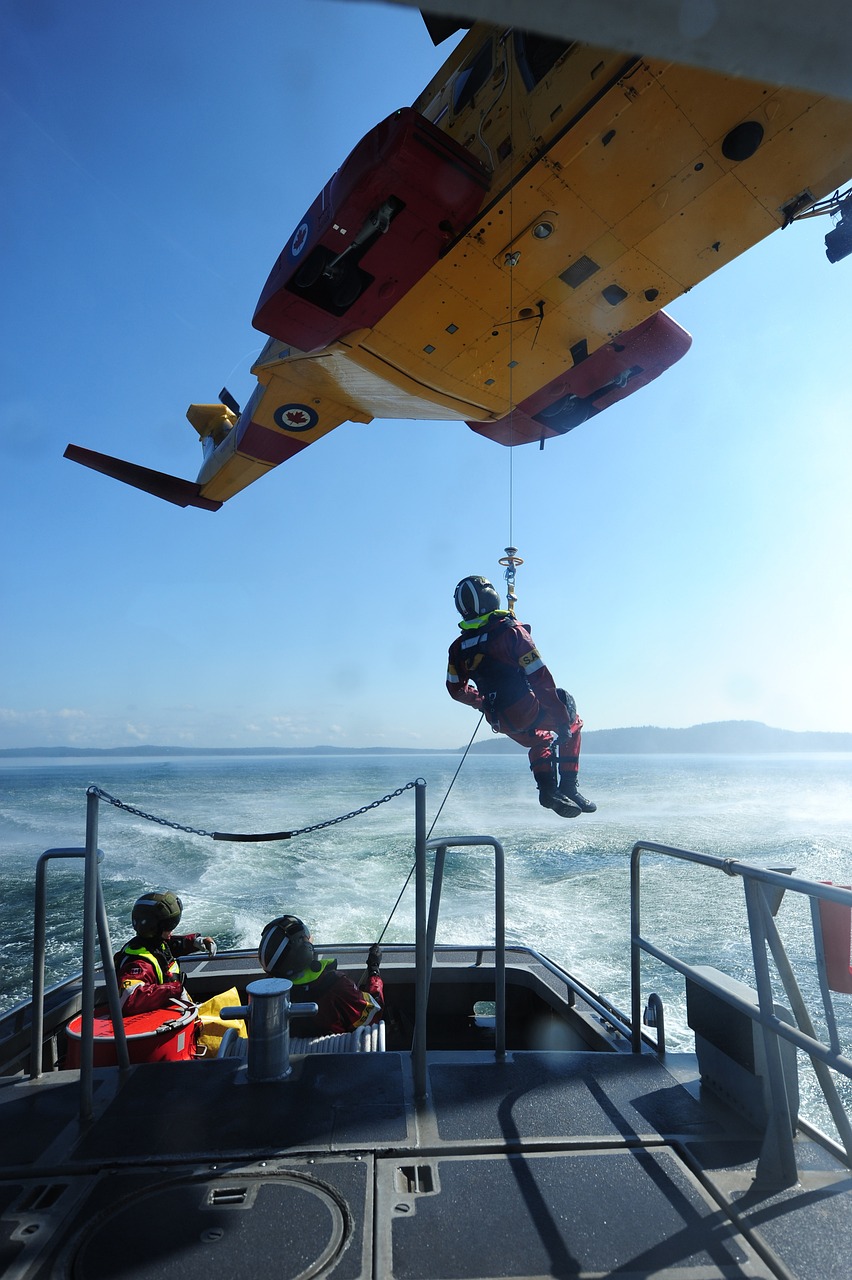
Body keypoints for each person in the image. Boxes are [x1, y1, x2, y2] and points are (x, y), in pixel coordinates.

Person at [447, 575, 596, 818]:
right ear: (489, 597)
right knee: (572, 718)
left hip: (499, 720)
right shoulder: (512, 633)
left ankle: (548, 790)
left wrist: (481, 703)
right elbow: (540, 678)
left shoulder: (457, 648)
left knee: (539, 740)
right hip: (525, 709)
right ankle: (568, 786)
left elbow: (456, 689)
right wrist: (561, 719)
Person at [258, 914, 384, 1037]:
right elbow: (374, 1014)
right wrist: (374, 970)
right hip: (334, 1055)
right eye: (305, 938)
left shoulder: (266, 994)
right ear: (303, 950)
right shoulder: (336, 985)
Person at [115, 891, 217, 1017]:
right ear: (152, 928)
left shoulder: (155, 944)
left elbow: (169, 948)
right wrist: (174, 990)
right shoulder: (139, 964)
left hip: (175, 1009)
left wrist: (197, 941)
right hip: (160, 1021)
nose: (171, 930)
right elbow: (129, 998)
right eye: (168, 925)